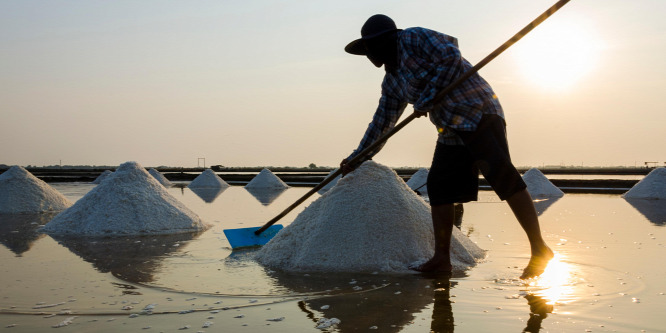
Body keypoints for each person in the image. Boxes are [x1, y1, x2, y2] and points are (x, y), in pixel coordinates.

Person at [340, 14, 553, 279]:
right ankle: (441, 259)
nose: (371, 55)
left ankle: (538, 248)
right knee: (439, 187)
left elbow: (450, 58)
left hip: (477, 111)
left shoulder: (413, 37)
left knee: (503, 177)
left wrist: (427, 98)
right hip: (449, 127)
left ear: (386, 41)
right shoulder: (393, 82)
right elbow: (381, 125)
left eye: (372, 47)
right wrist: (357, 158)